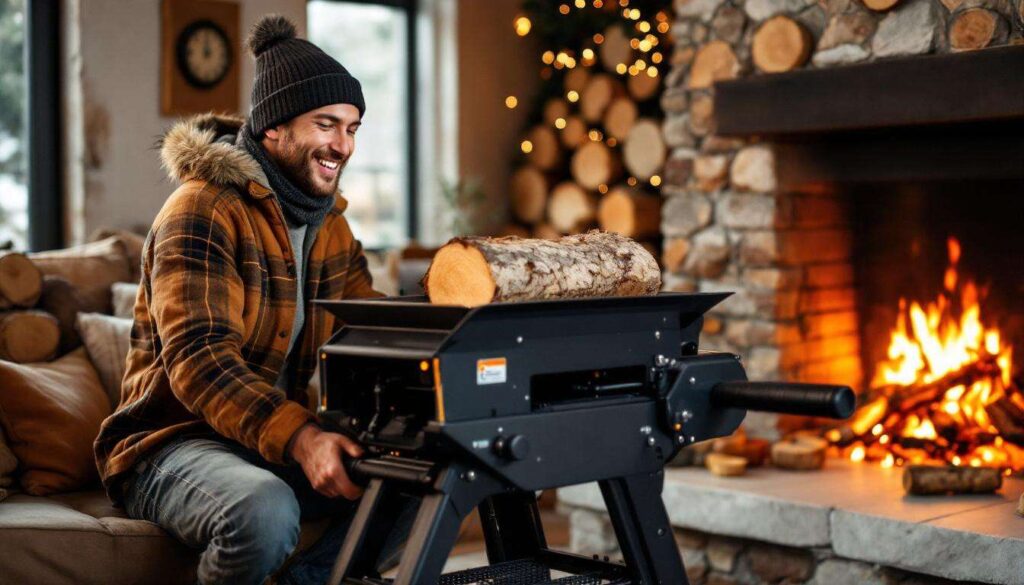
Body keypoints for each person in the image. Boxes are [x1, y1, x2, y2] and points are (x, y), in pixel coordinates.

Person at [94, 15, 408, 585]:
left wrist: (452, 320)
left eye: (353, 128)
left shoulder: (326, 223)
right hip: (171, 445)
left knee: (421, 480)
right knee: (261, 510)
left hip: (260, 440)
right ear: (274, 129)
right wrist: (305, 439)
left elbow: (367, 321)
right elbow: (201, 363)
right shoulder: (202, 209)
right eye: (327, 124)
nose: (344, 144)